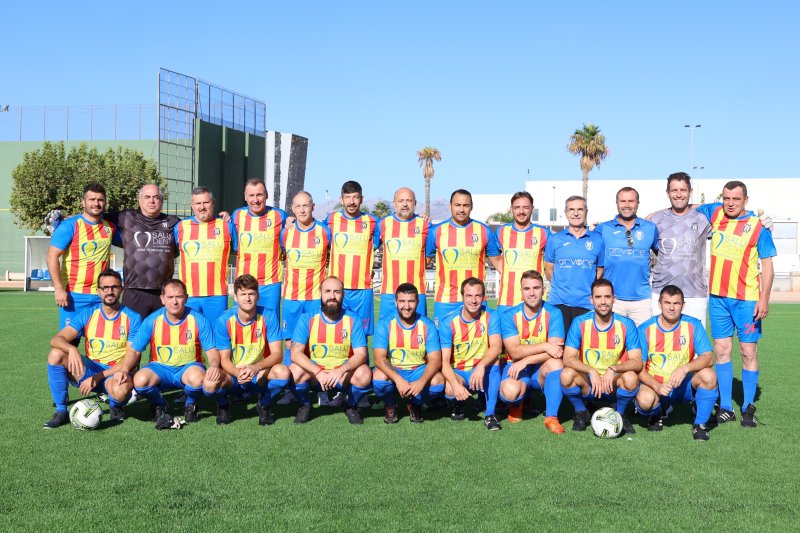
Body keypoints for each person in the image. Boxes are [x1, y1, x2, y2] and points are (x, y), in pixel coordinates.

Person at [695, 180, 776, 426]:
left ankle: (748, 406)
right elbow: (684, 207)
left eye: (736, 199)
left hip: (748, 301)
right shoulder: (715, 212)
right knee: (721, 351)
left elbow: (768, 265)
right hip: (718, 298)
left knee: (748, 350)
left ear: (746, 201)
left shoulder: (758, 226)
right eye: (726, 198)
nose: (730, 204)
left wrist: (764, 298)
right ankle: (727, 406)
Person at [42, 269, 142, 428]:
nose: (109, 291)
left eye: (114, 287)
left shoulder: (133, 317)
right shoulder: (88, 313)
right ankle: (61, 411)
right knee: (56, 354)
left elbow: (131, 359)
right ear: (98, 291)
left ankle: (115, 405)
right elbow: (56, 339)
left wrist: (97, 378)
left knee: (121, 391)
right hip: (89, 369)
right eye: (105, 288)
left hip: (116, 372)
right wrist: (72, 349)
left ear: (121, 289)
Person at [117, 279, 219, 423]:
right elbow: (134, 350)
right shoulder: (153, 320)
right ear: (162, 299)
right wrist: (124, 369)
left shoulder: (198, 319)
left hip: (189, 367)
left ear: (186, 298)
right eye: (170, 297)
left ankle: (190, 404)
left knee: (197, 380)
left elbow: (212, 351)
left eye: (179, 297)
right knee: (140, 380)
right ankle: (160, 403)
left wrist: (214, 365)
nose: (175, 302)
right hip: (159, 367)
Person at [201, 274, 289, 425]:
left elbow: (277, 354)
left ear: (257, 296)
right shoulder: (224, 320)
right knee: (209, 384)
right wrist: (237, 373)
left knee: (283, 373)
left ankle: (264, 403)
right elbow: (224, 359)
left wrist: (255, 367)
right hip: (234, 375)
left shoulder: (268, 315)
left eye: (251, 294)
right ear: (235, 297)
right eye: (243, 294)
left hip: (258, 373)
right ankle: (223, 404)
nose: (247, 298)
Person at [635, 285, 718, 441]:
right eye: (667, 303)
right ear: (660, 304)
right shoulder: (645, 329)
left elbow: (709, 357)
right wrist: (657, 386)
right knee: (645, 401)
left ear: (683, 305)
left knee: (709, 376)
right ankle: (659, 411)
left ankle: (700, 424)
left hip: (683, 386)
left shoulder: (693, 325)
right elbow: (639, 368)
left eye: (676, 303)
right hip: (656, 386)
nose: (671, 308)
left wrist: (685, 368)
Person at [560, 279, 642, 434]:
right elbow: (568, 358)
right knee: (566, 375)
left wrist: (614, 369)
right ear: (591, 300)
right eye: (598, 297)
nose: (603, 302)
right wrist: (591, 371)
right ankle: (581, 411)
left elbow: (637, 362)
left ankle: (620, 413)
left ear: (614, 299)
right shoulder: (580, 322)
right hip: (590, 383)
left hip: (614, 383)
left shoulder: (626, 324)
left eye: (607, 297)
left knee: (631, 378)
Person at [288, 276, 372, 425]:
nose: (332, 296)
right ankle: (305, 405)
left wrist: (340, 370)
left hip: (341, 376)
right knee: (293, 371)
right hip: (316, 375)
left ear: (343, 295)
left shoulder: (353, 319)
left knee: (365, 373)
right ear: (320, 293)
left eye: (337, 292)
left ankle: (351, 405)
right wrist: (318, 372)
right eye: (327, 291)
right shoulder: (307, 318)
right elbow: (295, 353)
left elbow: (361, 354)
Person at [46, 183, 119, 336]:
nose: (96, 203)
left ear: (105, 202)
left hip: (102, 295)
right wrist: (58, 289)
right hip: (74, 295)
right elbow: (52, 256)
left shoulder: (109, 227)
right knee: (66, 343)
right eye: (92, 199)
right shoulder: (69, 226)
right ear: (83, 202)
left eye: (100, 200)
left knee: (102, 342)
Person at [499, 270, 566, 433]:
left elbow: (557, 351)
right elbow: (514, 352)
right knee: (509, 391)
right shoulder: (509, 315)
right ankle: (517, 404)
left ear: (543, 290)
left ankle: (552, 417)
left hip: (539, 368)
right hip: (515, 366)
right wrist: (544, 345)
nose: (532, 293)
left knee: (557, 363)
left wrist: (526, 360)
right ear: (521, 291)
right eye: (527, 288)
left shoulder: (554, 313)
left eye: (536, 288)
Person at [105, 184, 182, 318]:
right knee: (132, 337)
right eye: (147, 197)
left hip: (164, 293)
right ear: (140, 200)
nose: (151, 201)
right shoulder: (126, 217)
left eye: (156, 197)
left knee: (162, 338)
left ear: (161, 201)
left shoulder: (173, 221)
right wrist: (67, 218)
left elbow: (198, 224)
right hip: (134, 292)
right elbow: (93, 216)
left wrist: (225, 218)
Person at [372, 283, 445, 423]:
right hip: (395, 369)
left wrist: (421, 382)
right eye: (402, 301)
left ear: (417, 302)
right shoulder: (385, 323)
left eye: (411, 301)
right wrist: (399, 380)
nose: (406, 306)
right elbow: (379, 359)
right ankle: (390, 404)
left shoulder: (427, 325)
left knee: (438, 382)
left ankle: (415, 404)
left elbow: (435, 360)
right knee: (378, 377)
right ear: (395, 302)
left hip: (418, 369)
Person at [438, 277, 503, 431]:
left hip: (482, 370)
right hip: (459, 372)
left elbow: (496, 347)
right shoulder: (449, 322)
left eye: (478, 296)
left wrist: (480, 366)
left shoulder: (491, 316)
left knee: (495, 360)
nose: (474, 300)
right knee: (449, 390)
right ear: (462, 297)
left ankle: (490, 413)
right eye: (469, 296)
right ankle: (459, 403)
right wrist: (455, 385)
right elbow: (445, 362)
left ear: (483, 297)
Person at [426, 189, 499, 324]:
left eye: (465, 205)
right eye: (457, 205)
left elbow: (499, 263)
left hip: (476, 300)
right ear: (450, 206)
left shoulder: (484, 231)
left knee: (478, 343)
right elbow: (422, 262)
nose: (461, 209)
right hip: (445, 301)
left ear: (471, 207)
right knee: (443, 343)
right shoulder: (436, 232)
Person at [647, 172, 712, 326]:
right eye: (674, 190)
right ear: (667, 193)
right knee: (659, 346)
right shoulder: (654, 220)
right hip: (661, 293)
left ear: (690, 192)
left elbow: (730, 215)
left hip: (694, 295)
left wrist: (761, 223)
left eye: (683, 190)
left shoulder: (703, 218)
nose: (678, 194)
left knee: (695, 347)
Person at [280, 191, 332, 364]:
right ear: (292, 209)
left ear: (313, 207)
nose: (302, 210)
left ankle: (318, 385)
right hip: (291, 298)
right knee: (290, 343)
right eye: (298, 206)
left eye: (306, 205)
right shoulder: (286, 233)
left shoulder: (324, 231)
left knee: (315, 342)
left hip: (315, 298)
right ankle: (291, 384)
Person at [173, 186, 237, 325]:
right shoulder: (180, 227)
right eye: (198, 203)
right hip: (188, 296)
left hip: (217, 296)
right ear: (192, 206)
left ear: (213, 203)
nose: (202, 207)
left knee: (216, 341)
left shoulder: (227, 226)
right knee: (190, 342)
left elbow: (240, 253)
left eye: (206, 202)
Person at [596, 187, 659, 326]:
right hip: (612, 299)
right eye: (623, 201)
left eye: (631, 201)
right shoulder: (603, 229)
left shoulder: (650, 228)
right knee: (613, 344)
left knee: (641, 344)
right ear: (617, 203)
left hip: (641, 300)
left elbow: (664, 257)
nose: (627, 205)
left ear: (638, 203)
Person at [325, 181, 380, 336]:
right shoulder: (330, 220)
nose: (351, 201)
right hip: (338, 289)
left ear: (361, 199)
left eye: (355, 197)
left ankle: (362, 361)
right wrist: (290, 221)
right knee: (336, 331)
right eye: (347, 197)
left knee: (361, 334)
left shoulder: (373, 222)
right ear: (341, 199)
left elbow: (379, 242)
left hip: (363, 289)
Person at [544, 195, 604, 333]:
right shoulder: (555, 239)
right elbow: (549, 270)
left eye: (580, 209)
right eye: (571, 209)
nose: (576, 213)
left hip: (586, 304)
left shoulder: (598, 240)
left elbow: (599, 271)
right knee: (559, 348)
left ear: (586, 212)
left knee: (583, 348)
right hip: (558, 303)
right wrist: (564, 289)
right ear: (565, 213)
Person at [230, 179, 288, 321]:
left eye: (259, 195)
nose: (255, 200)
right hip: (244, 285)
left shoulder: (280, 216)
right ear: (245, 197)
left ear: (266, 195)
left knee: (270, 326)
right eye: (251, 195)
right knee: (242, 326)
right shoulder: (236, 216)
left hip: (270, 284)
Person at [490, 191, 551, 315]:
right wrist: (505, 270)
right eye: (517, 207)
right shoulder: (502, 232)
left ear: (532, 209)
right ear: (511, 209)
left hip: (534, 302)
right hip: (506, 302)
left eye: (526, 207)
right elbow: (493, 255)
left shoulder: (544, 233)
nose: (521, 211)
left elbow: (552, 261)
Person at [378, 187, 431, 318]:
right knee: (388, 332)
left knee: (418, 332)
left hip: (416, 291)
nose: (405, 204)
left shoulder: (425, 225)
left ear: (415, 203)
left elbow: (430, 254)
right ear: (394, 203)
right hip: (389, 292)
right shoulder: (383, 224)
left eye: (409, 200)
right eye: (401, 200)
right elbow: (368, 248)